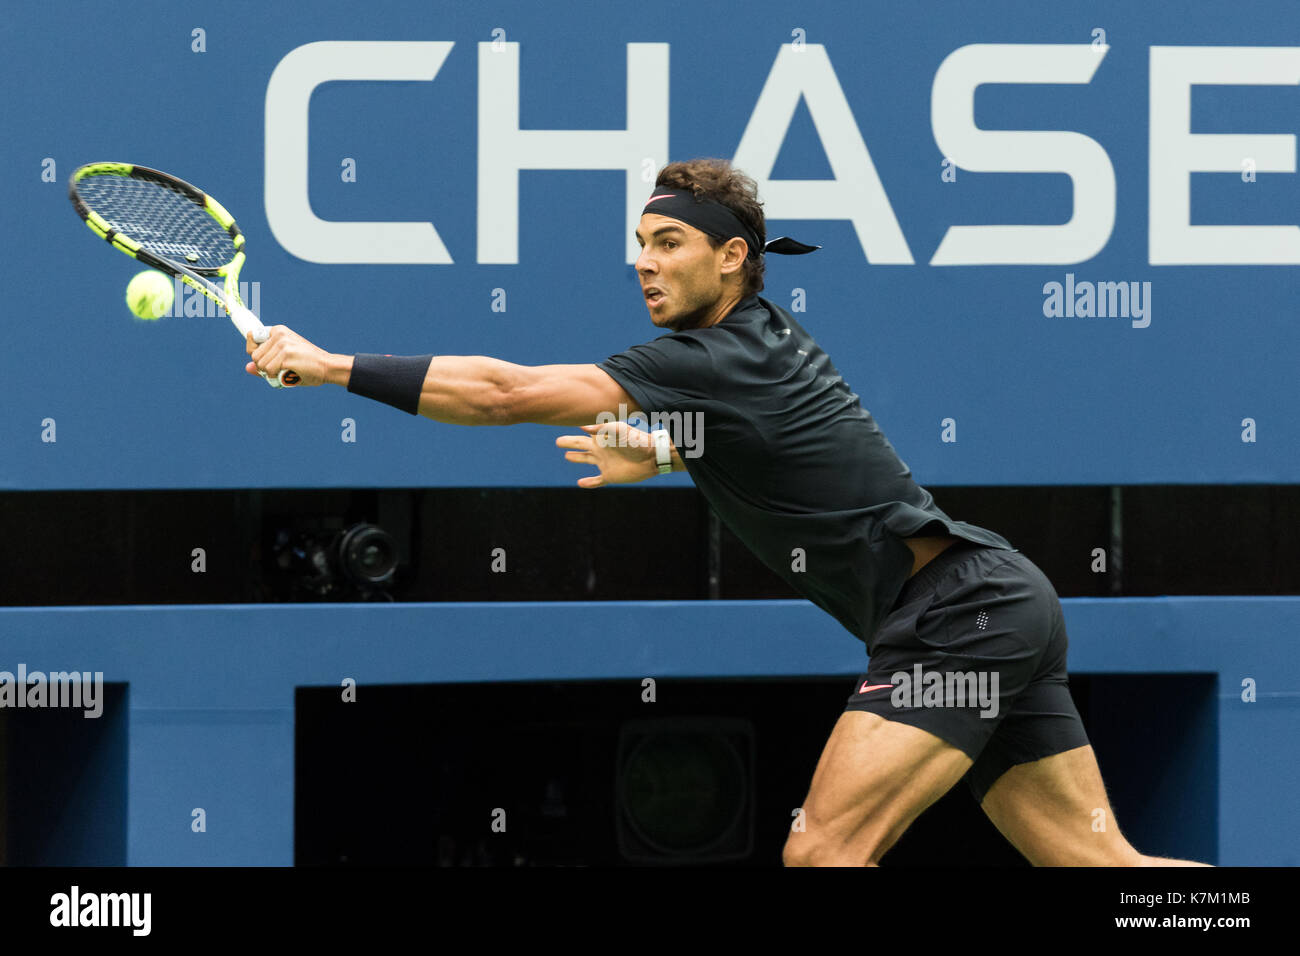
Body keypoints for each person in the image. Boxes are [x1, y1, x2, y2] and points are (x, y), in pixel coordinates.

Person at [246, 158, 1209, 867]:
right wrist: (666, 454)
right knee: (1104, 869)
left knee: (823, 853)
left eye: (669, 243)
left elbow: (504, 392)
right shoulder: (748, 351)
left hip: (958, 618)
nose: (645, 263)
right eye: (639, 245)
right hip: (998, 602)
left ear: (733, 257)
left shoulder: (705, 361)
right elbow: (770, 449)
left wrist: (331, 366)